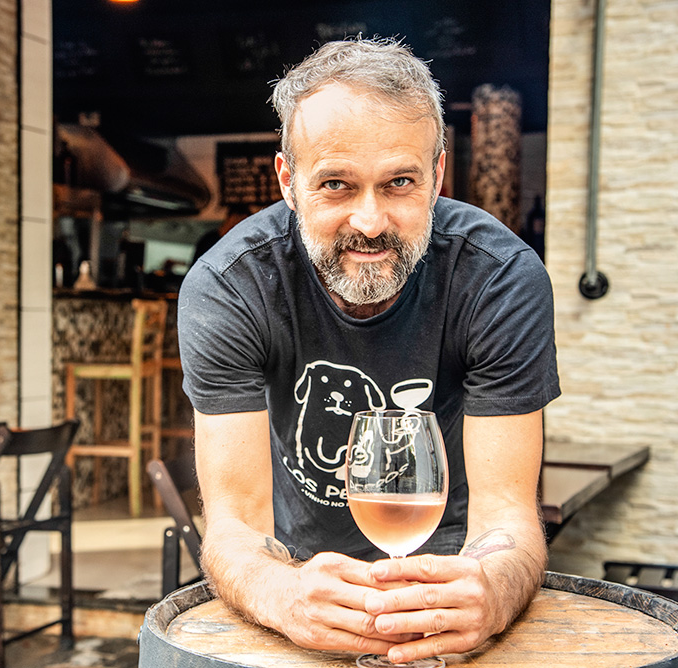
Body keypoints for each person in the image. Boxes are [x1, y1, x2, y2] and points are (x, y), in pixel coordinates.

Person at [177, 37, 560, 664]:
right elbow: (236, 525)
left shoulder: (499, 279)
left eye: (399, 182)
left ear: (437, 177)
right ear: (289, 183)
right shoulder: (231, 287)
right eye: (336, 184)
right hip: (303, 581)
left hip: (451, 586)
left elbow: (507, 518)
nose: (371, 220)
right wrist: (285, 594)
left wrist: (489, 590)